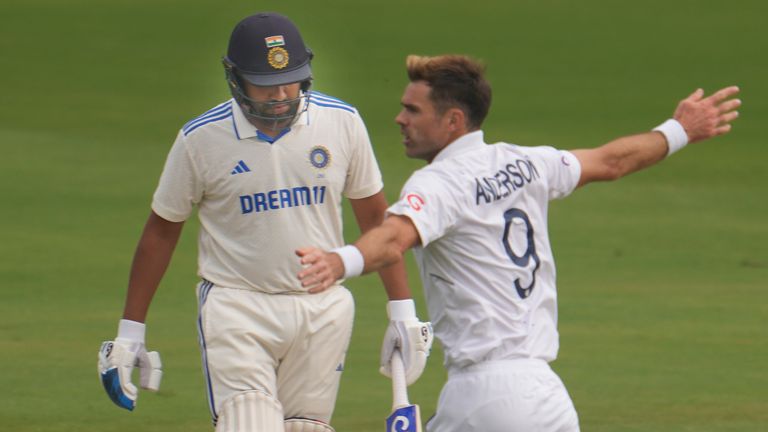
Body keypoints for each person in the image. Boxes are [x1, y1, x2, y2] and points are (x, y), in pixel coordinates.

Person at [296, 54, 741, 431]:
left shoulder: (438, 183)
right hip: (546, 394)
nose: (399, 119)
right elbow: (612, 161)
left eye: (413, 110)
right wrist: (681, 129)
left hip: (482, 395)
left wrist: (340, 262)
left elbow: (393, 238)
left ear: (452, 121)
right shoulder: (527, 162)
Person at [97, 12, 432, 432]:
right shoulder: (200, 140)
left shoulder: (341, 122)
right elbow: (162, 231)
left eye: (291, 80)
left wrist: (403, 313)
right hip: (238, 307)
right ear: (235, 79)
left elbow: (376, 222)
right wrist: (130, 333)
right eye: (265, 83)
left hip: (322, 309)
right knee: (249, 424)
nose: (281, 95)